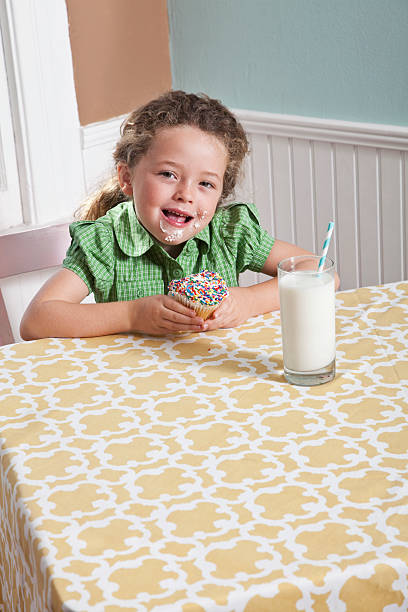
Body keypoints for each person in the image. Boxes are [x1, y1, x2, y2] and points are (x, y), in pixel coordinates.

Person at [20, 90, 323, 340]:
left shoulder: (229, 232)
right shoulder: (103, 243)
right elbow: (37, 320)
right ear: (127, 178)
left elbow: (320, 271)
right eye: (168, 174)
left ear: (220, 195)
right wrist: (133, 314)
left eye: (205, 184)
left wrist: (249, 301)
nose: (186, 194)